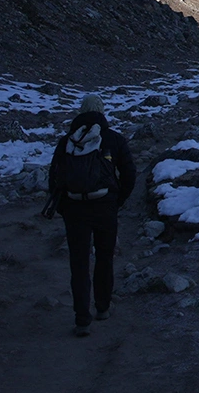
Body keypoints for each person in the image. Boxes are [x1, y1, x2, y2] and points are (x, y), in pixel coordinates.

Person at [47, 93, 136, 337]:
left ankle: (82, 319)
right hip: (105, 205)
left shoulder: (67, 141)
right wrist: (117, 200)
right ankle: (103, 307)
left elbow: (54, 178)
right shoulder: (113, 139)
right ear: (102, 111)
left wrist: (64, 207)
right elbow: (129, 174)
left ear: (80, 111)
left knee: (79, 262)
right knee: (104, 257)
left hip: (75, 208)